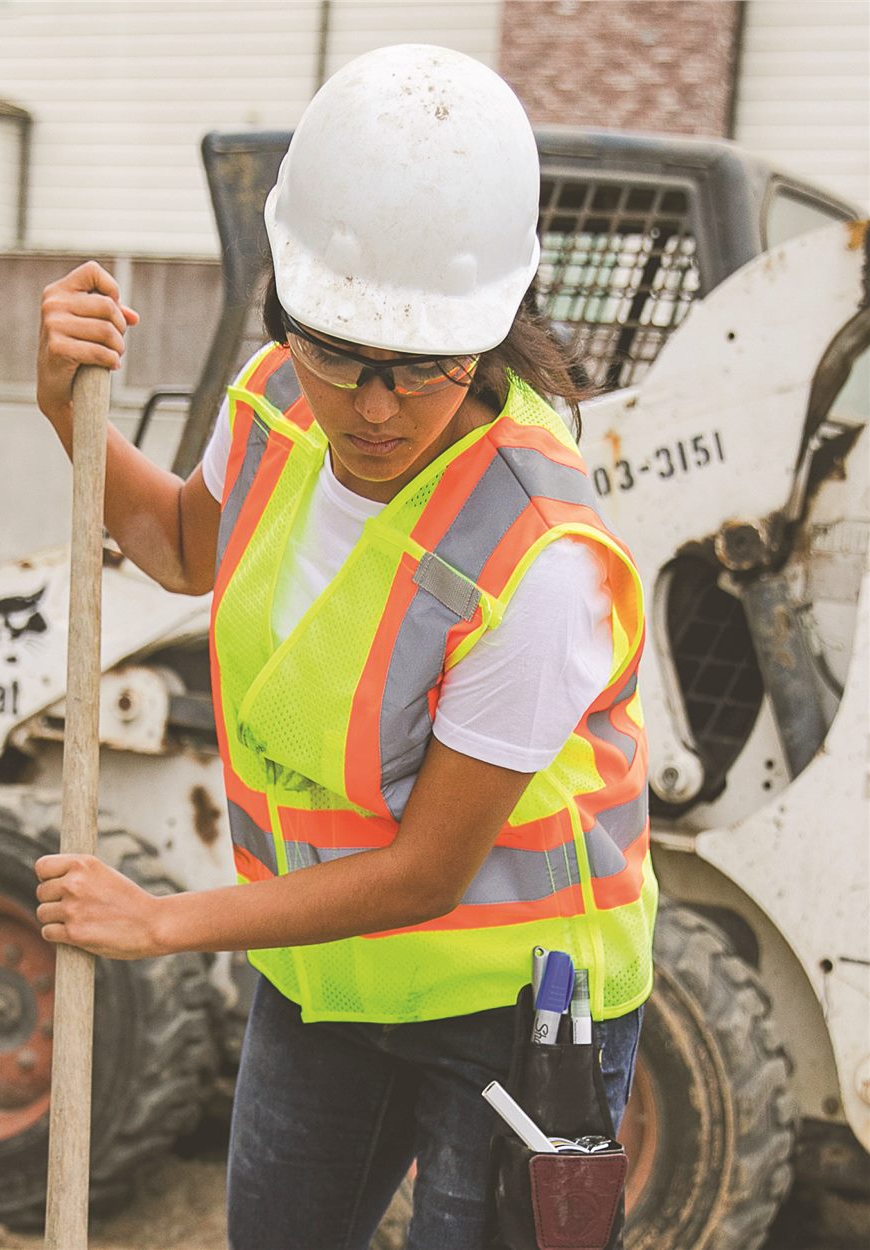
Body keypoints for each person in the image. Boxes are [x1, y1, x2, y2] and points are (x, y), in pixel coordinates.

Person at [34, 44, 656, 1250]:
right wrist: (67, 403)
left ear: (491, 327)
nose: (372, 405)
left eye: (421, 366)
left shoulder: (538, 556)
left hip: (514, 1004)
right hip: (325, 969)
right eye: (336, 351)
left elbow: (427, 873)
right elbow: (182, 544)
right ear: (288, 310)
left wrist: (158, 920)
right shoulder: (276, 400)